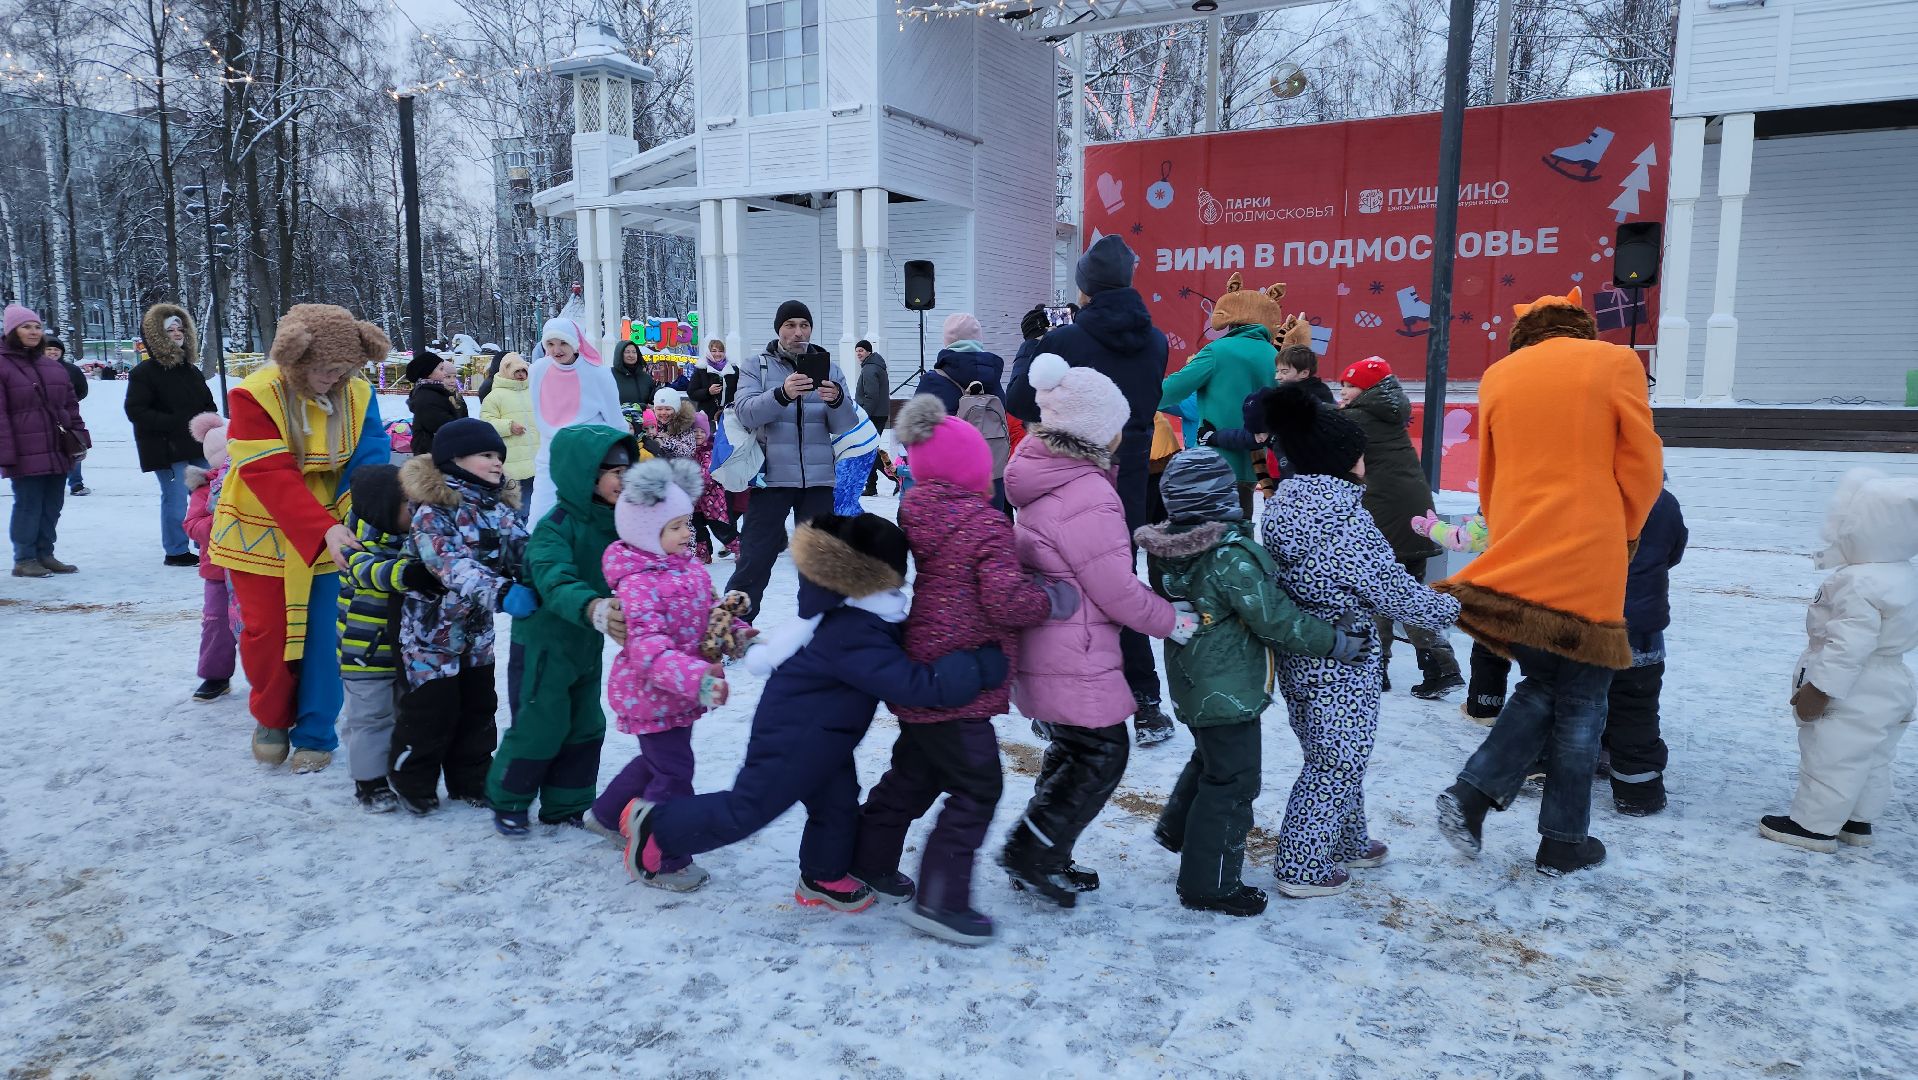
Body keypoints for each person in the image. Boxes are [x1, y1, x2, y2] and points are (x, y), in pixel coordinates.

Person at [623, 513, 1009, 913]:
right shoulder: (854, 631)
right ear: (878, 575)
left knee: (836, 804)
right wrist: (975, 666)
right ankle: (659, 827)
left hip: (826, 738)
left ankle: (823, 875)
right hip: (795, 739)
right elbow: (914, 685)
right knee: (749, 809)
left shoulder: (855, 614)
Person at [1433, 288, 1664, 877]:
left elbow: (1488, 474)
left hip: (1519, 545)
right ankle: (1555, 836)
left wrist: (1506, 529)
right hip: (1589, 548)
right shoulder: (1614, 362)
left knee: (1544, 681)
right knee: (1583, 696)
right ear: (1578, 324)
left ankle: (1486, 800)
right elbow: (1642, 464)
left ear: (1525, 333)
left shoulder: (1499, 376)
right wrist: (1625, 534)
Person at [850, 396, 1064, 945]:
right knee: (978, 786)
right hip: (961, 680)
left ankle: (867, 860)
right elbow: (1005, 601)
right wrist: (1046, 599)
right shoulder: (986, 525)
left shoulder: (917, 511)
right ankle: (941, 900)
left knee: (913, 777)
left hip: (921, 667)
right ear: (973, 470)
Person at [999, 354, 1198, 906]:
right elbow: (1115, 589)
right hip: (1076, 646)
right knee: (1102, 753)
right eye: (1117, 425)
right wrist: (1174, 621)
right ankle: (1032, 851)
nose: (1122, 435)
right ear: (1094, 432)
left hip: (1053, 639)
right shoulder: (1087, 494)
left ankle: (1043, 851)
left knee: (1074, 750)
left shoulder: (1048, 477)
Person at [1138, 448, 1359, 916]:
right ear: (1223, 501)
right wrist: (1334, 641)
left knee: (1211, 760)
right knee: (1234, 781)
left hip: (1194, 682)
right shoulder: (1231, 558)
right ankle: (1211, 884)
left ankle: (1181, 830)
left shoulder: (1167, 552)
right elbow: (1276, 621)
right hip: (1228, 688)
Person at [1261, 383, 1461, 898]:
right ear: (1348, 463)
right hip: (1344, 656)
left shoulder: (1285, 505)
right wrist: (1455, 606)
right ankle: (1302, 865)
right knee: (1338, 759)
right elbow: (1393, 591)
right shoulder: (1343, 521)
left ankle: (1346, 839)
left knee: (1332, 749)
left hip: (1303, 650)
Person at [1007, 236, 1174, 747]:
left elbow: (1020, 400)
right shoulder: (1157, 341)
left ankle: (1059, 703)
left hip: (1067, 475)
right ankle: (1146, 702)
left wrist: (1033, 346)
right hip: (1129, 477)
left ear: (1084, 287)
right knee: (1117, 579)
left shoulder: (1066, 340)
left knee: (1063, 586)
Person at [213, 304, 391, 770]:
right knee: (266, 631)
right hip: (261, 527)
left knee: (327, 634)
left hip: (337, 530)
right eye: (323, 369)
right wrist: (320, 528)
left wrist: (358, 518)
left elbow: (369, 458)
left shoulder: (358, 393)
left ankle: (316, 732)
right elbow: (269, 471)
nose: (333, 378)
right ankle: (271, 717)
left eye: (343, 369)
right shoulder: (255, 394)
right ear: (295, 358)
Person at [586, 458, 749, 882]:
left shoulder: (688, 568)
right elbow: (647, 650)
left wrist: (738, 633)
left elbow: (711, 612)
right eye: (675, 526)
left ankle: (606, 816)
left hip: (677, 692)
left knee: (658, 761)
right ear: (645, 531)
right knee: (675, 774)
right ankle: (662, 858)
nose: (686, 533)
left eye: (686, 523)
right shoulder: (638, 582)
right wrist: (698, 680)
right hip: (652, 693)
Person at [1760, 470, 1918, 854]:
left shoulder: (1859, 582)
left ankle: (1813, 827)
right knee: (1873, 754)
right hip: (1895, 678)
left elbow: (1848, 644)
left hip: (1855, 684)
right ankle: (1857, 819)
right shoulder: (1903, 573)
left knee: (1832, 754)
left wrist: (1820, 688)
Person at [490, 425, 638, 828]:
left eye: (628, 471)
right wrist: (593, 607)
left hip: (586, 642)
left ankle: (567, 803)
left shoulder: (621, 523)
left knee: (586, 724)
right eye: (615, 472)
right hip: (544, 644)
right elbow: (555, 580)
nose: (624, 481)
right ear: (585, 474)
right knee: (541, 724)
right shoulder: (553, 528)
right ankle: (509, 801)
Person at [390, 418, 534, 815]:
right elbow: (450, 565)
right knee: (430, 713)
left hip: (476, 634)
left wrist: (545, 572)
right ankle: (413, 780)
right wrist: (501, 591)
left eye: (500, 456)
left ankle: (471, 779)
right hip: (430, 635)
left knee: (478, 708)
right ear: (454, 459)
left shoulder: (498, 509)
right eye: (486, 455)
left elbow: (522, 550)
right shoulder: (433, 511)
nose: (497, 463)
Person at [1335, 356, 1465, 700]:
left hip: (1387, 517)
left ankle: (1377, 669)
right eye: (1343, 384)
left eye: (1351, 385)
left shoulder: (1358, 417)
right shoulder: (1386, 411)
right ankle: (1440, 667)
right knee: (1407, 591)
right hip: (1415, 513)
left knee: (1378, 591)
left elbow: (1322, 437)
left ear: (1368, 389)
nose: (1343, 391)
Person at [722, 300, 858, 622]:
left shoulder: (831, 369)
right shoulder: (757, 366)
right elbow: (745, 413)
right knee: (754, 559)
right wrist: (782, 394)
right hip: (771, 479)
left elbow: (845, 424)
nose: (798, 332)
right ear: (778, 329)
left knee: (818, 563)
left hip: (818, 481)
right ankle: (731, 629)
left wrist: (837, 401)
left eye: (804, 325)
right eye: (790, 325)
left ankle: (818, 628)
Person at [335, 463, 443, 813]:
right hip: (364, 654)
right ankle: (369, 783)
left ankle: (400, 772)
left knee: (402, 714)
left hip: (405, 651)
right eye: (410, 506)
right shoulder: (352, 545)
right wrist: (409, 574)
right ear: (384, 509)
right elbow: (373, 572)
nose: (418, 512)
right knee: (369, 717)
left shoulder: (416, 540)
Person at [1158, 273, 1290, 512]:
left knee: (1211, 528)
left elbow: (1170, 391)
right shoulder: (1274, 356)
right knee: (1243, 525)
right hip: (1256, 462)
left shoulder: (1217, 351)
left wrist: (1139, 392)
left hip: (1214, 460)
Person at [1602, 482, 1688, 816]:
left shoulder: (1587, 490)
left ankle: (1563, 764)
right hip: (1642, 632)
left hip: (1590, 621)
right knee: (1635, 708)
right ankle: (1638, 793)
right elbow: (1674, 551)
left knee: (1573, 698)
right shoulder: (1663, 500)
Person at [127, 304, 218, 566]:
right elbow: (136, 410)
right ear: (157, 335)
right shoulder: (144, 373)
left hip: (197, 445)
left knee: (208, 496)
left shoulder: (190, 369)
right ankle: (176, 551)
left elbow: (207, 402)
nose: (177, 333)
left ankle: (207, 542)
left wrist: (208, 421)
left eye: (180, 328)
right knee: (176, 499)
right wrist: (174, 423)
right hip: (166, 448)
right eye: (170, 330)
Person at [2, 305, 89, 577]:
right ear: (12, 331)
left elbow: (70, 407)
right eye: (26, 327)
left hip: (57, 447)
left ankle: (45, 553)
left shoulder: (52, 367)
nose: (33, 332)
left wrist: (81, 438)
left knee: (52, 505)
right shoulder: (3, 365)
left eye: (37, 327)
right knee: (28, 504)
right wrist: (6, 452)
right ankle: (24, 558)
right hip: (24, 449)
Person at [526, 318, 623, 523]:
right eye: (550, 344)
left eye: (563, 343)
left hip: (588, 455)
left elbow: (615, 420)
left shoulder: (598, 373)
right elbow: (537, 410)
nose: (556, 350)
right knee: (540, 518)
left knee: (585, 517)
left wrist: (623, 456)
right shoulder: (537, 370)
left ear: (575, 343)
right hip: (551, 454)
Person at [639, 388, 736, 562]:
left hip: (681, 485)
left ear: (675, 409)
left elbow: (687, 449)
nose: (663, 413)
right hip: (660, 482)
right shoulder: (653, 425)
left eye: (668, 409)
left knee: (684, 522)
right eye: (659, 408)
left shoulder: (684, 427)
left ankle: (688, 558)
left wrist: (663, 442)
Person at [182, 412, 236, 702]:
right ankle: (215, 676)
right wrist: (221, 519)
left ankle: (268, 678)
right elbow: (192, 526)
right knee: (216, 622)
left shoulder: (251, 480)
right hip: (217, 569)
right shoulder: (204, 489)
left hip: (253, 566)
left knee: (259, 625)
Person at [478, 352, 538, 516]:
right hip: (512, 460)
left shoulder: (533, 392)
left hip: (535, 459)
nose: (521, 375)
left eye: (523, 371)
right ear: (506, 371)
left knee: (534, 503)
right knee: (517, 504)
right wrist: (508, 426)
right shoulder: (495, 396)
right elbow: (486, 423)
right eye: (517, 371)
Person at [44, 336, 88, 496]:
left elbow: (82, 389)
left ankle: (76, 484)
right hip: (43, 417)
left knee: (72, 446)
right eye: (49, 349)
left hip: (67, 416)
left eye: (56, 349)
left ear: (61, 352)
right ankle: (47, 484)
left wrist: (70, 402)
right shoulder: (34, 368)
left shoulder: (72, 370)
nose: (52, 352)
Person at [854, 339, 890, 497]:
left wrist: (863, 416)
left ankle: (895, 477)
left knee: (869, 451)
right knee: (869, 450)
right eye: (857, 351)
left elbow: (871, 396)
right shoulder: (875, 366)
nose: (858, 354)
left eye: (861, 350)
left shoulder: (869, 369)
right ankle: (872, 486)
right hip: (878, 414)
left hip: (873, 415)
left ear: (868, 351)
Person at [687, 339, 737, 423]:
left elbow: (739, 390)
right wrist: (708, 392)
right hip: (707, 417)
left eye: (721, 351)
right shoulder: (701, 369)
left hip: (730, 415)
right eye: (714, 351)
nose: (717, 354)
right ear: (709, 352)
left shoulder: (733, 370)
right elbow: (691, 393)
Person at [610, 339, 657, 416]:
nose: (631, 355)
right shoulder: (610, 375)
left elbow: (653, 403)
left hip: (644, 421)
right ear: (619, 354)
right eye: (627, 352)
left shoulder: (646, 378)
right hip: (617, 420)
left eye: (634, 352)